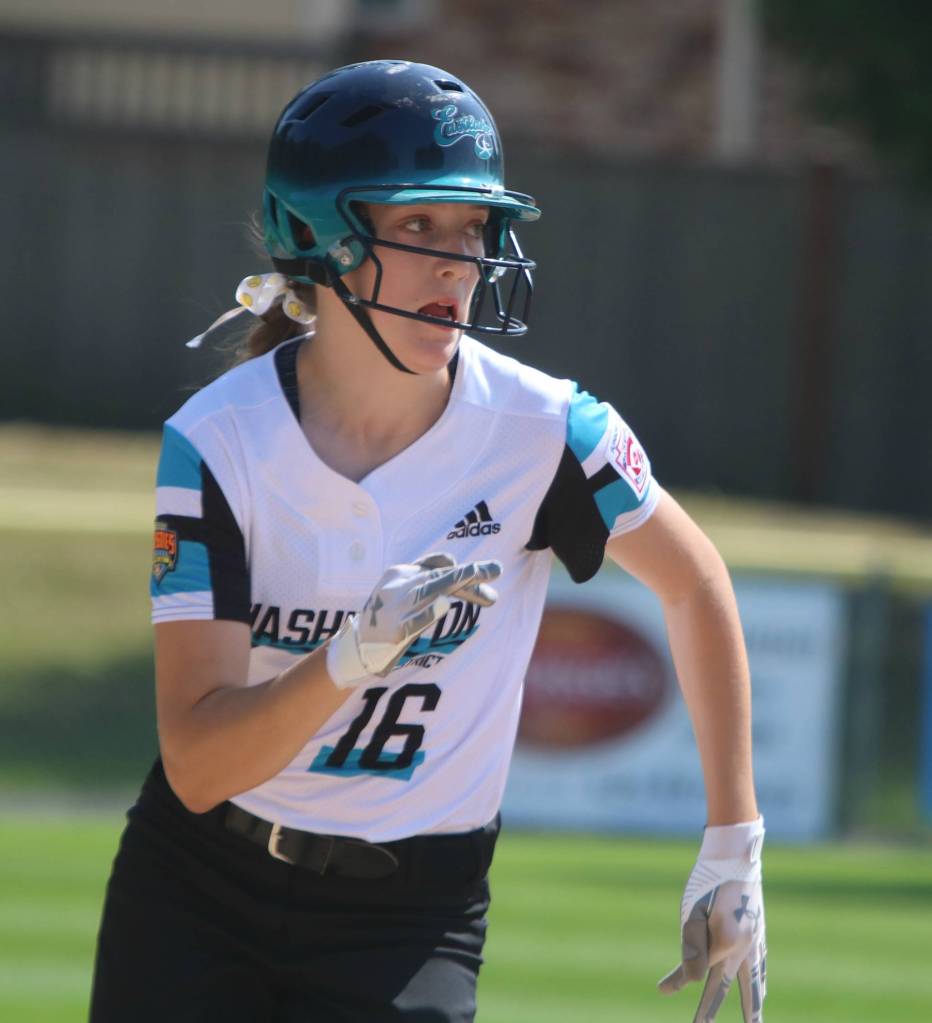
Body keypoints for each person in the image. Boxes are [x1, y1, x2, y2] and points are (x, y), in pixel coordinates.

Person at [89, 59, 766, 1022]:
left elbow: (695, 585)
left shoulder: (547, 429)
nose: (459, 260)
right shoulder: (219, 438)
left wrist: (733, 840)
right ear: (314, 237)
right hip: (197, 886)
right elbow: (198, 768)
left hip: (412, 915)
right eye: (417, 226)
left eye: (473, 228)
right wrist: (351, 656)